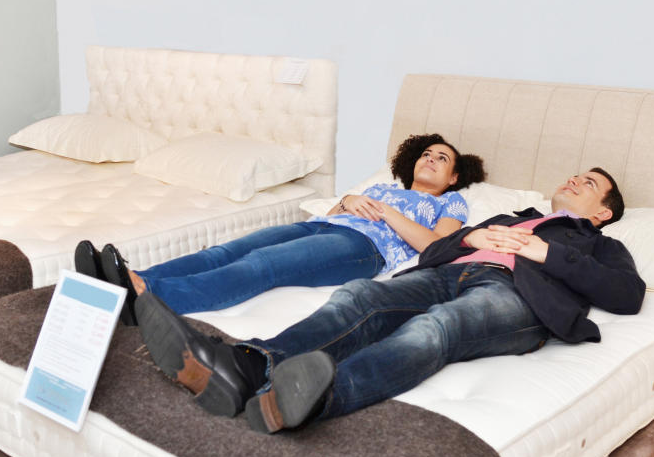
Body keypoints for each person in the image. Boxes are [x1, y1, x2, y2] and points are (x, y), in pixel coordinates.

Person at [134, 167, 646, 433]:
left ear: (602, 213)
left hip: (515, 299)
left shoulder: (600, 245)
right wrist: (472, 240)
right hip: (454, 272)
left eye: (590, 185)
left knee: (434, 330)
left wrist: (545, 252)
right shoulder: (507, 218)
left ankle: (313, 400)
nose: (575, 181)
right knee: (361, 296)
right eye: (575, 175)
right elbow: (436, 250)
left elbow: (628, 296)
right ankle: (248, 365)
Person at [75, 133, 485, 324]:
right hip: (323, 224)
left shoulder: (449, 202)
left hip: (363, 247)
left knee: (262, 265)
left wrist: (389, 215)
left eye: (442, 158)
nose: (430, 159)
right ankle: (127, 279)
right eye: (426, 154)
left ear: (453, 176)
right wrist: (347, 202)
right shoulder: (382, 186)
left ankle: (152, 299)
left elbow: (435, 245)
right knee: (226, 250)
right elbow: (330, 210)